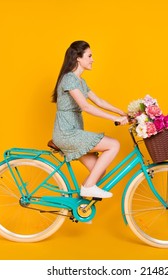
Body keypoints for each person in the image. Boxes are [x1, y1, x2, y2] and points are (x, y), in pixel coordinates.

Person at [51, 40, 128, 198]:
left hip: (74, 132)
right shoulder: (69, 79)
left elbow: (99, 101)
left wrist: (122, 113)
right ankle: (88, 188)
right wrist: (115, 118)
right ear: (78, 58)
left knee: (98, 170)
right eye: (89, 56)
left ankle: (81, 207)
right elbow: (86, 107)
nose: (93, 59)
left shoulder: (80, 81)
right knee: (113, 144)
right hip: (67, 133)